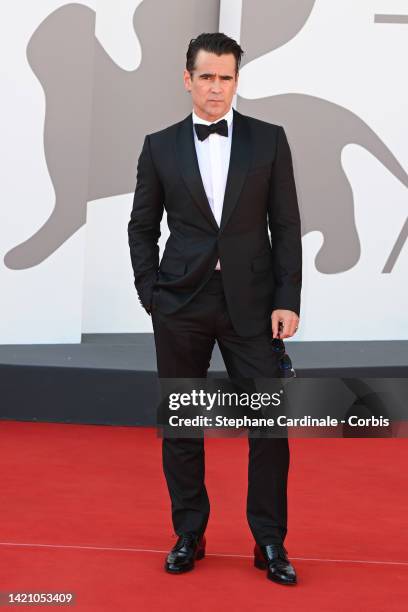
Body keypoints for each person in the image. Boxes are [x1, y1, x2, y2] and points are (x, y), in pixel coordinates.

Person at [128, 32, 302, 586]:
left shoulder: (269, 140)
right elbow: (141, 227)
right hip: (180, 302)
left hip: (253, 306)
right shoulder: (159, 146)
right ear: (187, 78)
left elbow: (288, 225)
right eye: (206, 76)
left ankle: (269, 541)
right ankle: (189, 533)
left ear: (236, 81)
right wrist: (152, 294)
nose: (215, 87)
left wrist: (287, 299)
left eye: (226, 77)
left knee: (269, 427)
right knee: (182, 424)